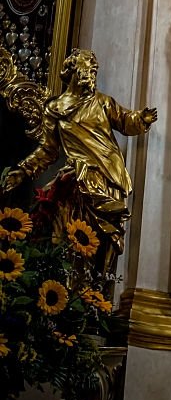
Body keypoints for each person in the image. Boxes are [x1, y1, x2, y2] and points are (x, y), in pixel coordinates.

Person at [1, 48, 156, 271]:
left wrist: (141, 119)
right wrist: (24, 171)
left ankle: (96, 286)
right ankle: (71, 284)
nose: (92, 73)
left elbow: (124, 120)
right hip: (76, 178)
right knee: (65, 231)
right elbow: (48, 149)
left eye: (95, 70)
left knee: (103, 238)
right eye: (88, 68)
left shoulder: (102, 102)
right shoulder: (54, 109)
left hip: (107, 175)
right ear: (74, 69)